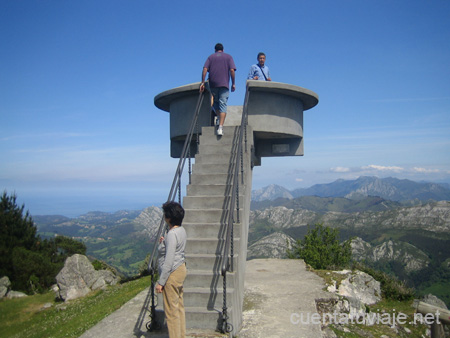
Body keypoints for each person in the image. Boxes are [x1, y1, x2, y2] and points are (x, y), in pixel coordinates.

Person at [156, 201, 187, 338]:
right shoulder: (181, 231)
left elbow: (169, 260)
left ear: (169, 217)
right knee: (179, 307)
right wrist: (165, 242)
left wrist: (161, 282)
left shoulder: (172, 235)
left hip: (172, 273)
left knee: (171, 312)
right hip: (181, 268)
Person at [199, 43, 236, 136]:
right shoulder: (228, 57)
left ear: (215, 50)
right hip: (224, 84)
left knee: (215, 103)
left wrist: (202, 82)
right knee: (223, 103)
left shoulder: (211, 57)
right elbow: (232, 70)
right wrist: (233, 83)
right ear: (223, 50)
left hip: (213, 84)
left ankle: (219, 118)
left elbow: (204, 69)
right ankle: (220, 127)